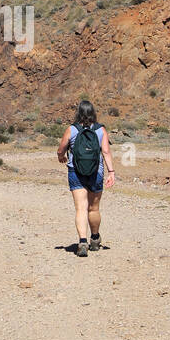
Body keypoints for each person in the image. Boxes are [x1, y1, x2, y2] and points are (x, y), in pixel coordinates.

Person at [56, 99, 115, 257]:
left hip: (76, 172)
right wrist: (111, 172)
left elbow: (61, 148)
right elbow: (106, 152)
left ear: (78, 113)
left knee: (81, 208)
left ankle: (82, 242)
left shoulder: (72, 129)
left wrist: (61, 156)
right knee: (93, 208)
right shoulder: (100, 130)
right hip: (97, 172)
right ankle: (95, 239)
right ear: (93, 113)